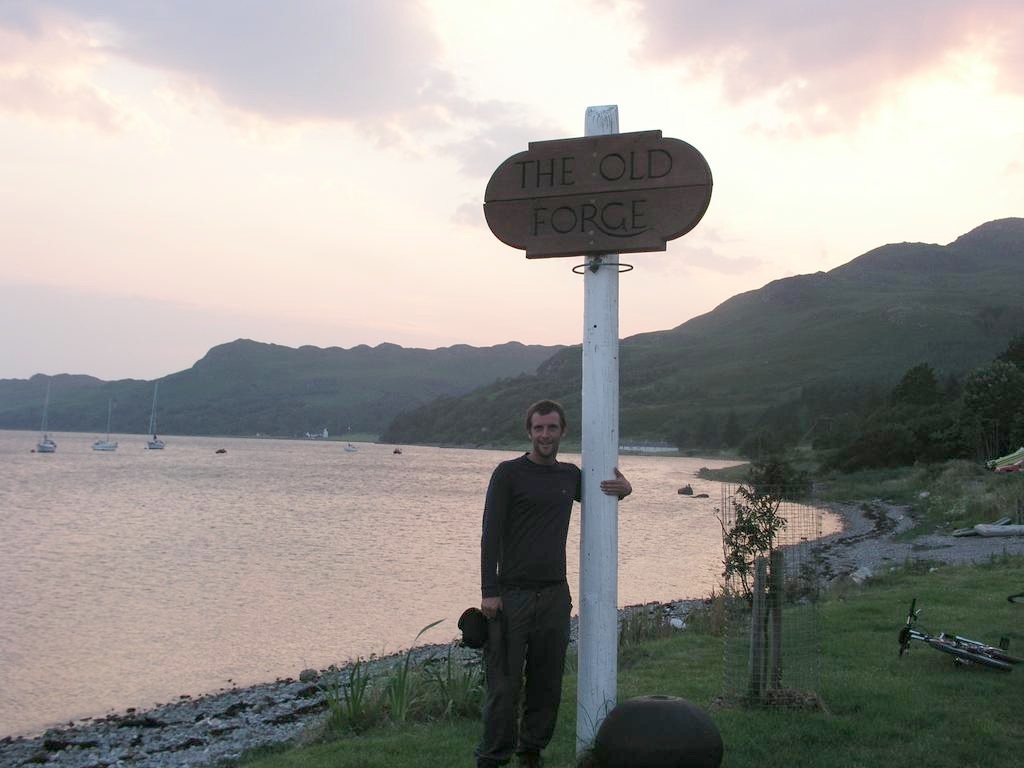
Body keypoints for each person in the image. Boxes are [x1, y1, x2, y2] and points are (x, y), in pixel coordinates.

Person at [476, 399, 632, 768]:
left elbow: (602, 492)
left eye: (552, 428)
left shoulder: (569, 476)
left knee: (547, 682)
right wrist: (489, 591)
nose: (545, 435)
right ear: (529, 432)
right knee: (504, 685)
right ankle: (492, 756)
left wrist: (625, 490)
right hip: (511, 595)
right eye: (538, 428)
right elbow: (490, 533)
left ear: (563, 432)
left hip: (555, 595)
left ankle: (531, 751)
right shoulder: (508, 473)